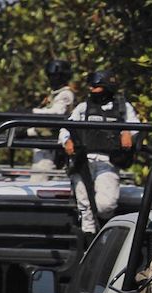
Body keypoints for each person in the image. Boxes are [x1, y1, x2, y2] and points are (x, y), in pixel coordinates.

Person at [58, 70, 139, 236]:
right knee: (84, 204)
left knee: (105, 205)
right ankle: (87, 239)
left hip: (108, 162)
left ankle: (103, 227)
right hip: (83, 161)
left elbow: (136, 127)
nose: (92, 90)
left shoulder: (122, 107)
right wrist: (67, 141)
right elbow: (66, 127)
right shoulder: (84, 107)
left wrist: (127, 132)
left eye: (96, 87)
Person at [29, 59, 76, 182]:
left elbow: (56, 113)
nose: (53, 79)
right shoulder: (54, 94)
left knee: (39, 180)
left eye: (56, 76)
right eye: (50, 76)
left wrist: (32, 112)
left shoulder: (66, 94)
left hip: (53, 144)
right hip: (44, 140)